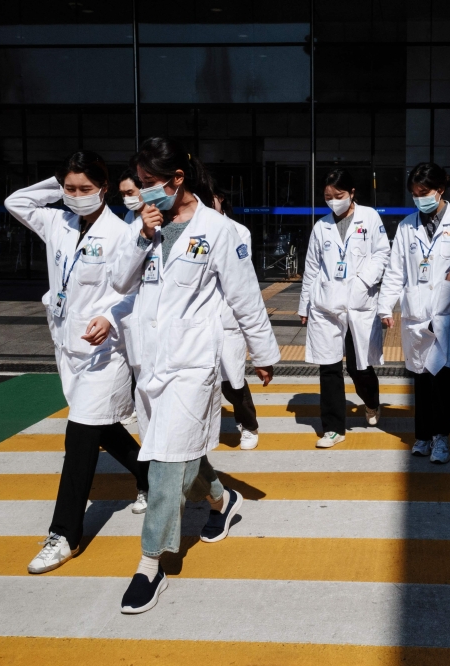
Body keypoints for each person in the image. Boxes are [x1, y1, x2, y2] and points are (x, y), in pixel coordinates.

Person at [110, 137, 279, 614]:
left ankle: (150, 563)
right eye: (138, 186)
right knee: (173, 450)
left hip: (191, 364)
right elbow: (119, 281)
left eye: (147, 185)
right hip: (149, 361)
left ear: (177, 179)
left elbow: (245, 295)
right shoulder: (140, 223)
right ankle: (223, 500)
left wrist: (262, 352)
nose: (141, 195)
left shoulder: (218, 230)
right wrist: (142, 237)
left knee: (164, 464)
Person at [5, 151, 150, 575]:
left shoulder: (123, 234)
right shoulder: (57, 222)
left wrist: (109, 316)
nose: (76, 196)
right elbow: (17, 202)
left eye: (85, 189)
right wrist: (56, 183)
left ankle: (64, 534)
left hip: (105, 351)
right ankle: (149, 477)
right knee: (100, 424)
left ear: (104, 189)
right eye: (70, 189)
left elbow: (134, 290)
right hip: (68, 346)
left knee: (80, 435)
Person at [378, 162, 450, 464]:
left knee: (442, 375)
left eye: (423, 192)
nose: (418, 198)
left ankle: (441, 438)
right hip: (417, 312)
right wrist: (385, 307)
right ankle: (423, 436)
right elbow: (395, 271)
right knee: (421, 377)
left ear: (440, 190)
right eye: (414, 194)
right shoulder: (406, 226)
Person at [298, 169, 390, 448]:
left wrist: (364, 281)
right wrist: (304, 305)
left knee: (359, 365)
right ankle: (333, 428)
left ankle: (372, 402)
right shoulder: (321, 226)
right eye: (328, 197)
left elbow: (382, 252)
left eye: (338, 196)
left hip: (359, 302)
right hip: (327, 305)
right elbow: (311, 268)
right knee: (329, 367)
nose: (333, 201)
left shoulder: (370, 217)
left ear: (351, 193)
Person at [214, 187, 260, 449]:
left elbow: (241, 278)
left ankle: (249, 425)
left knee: (232, 380)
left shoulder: (239, 231)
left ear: (221, 198)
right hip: (198, 319)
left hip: (227, 317)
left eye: (212, 198)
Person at [116, 169, 144, 426]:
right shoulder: (128, 216)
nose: (127, 198)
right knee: (130, 354)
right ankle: (132, 403)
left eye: (130, 192)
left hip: (146, 296)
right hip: (127, 294)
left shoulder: (157, 217)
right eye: (123, 194)